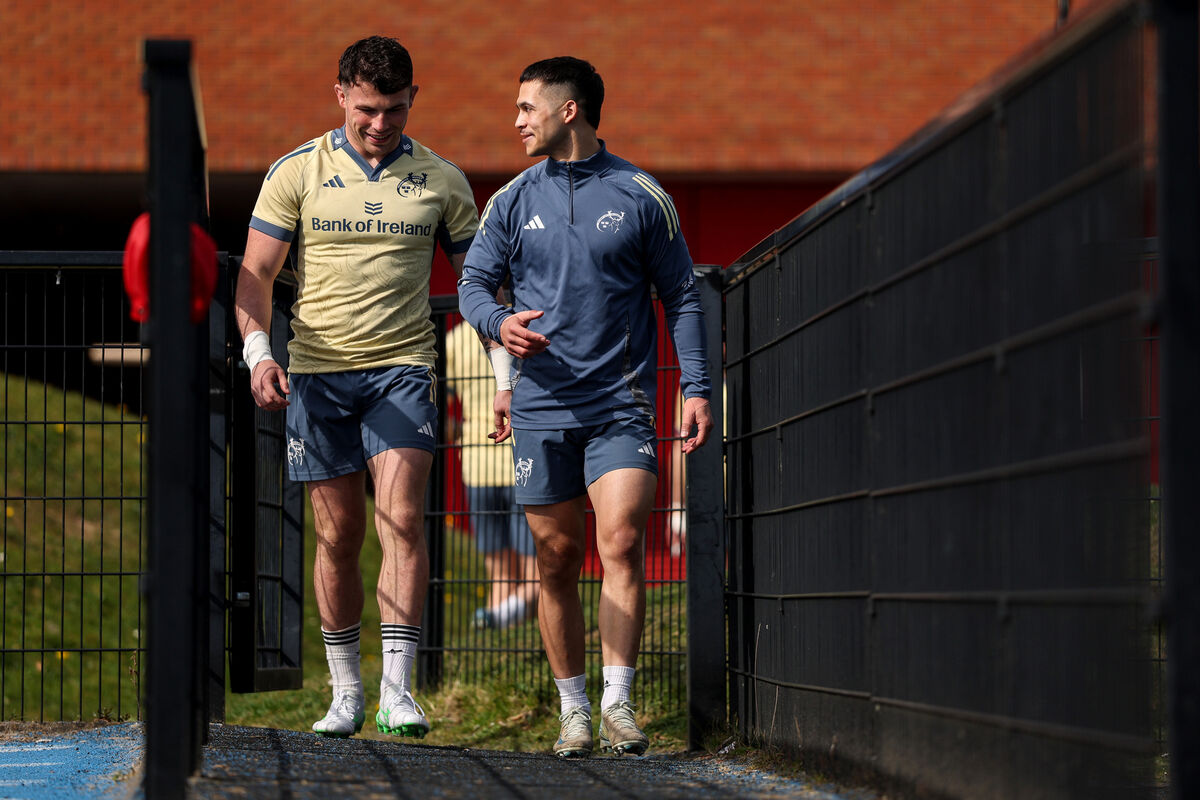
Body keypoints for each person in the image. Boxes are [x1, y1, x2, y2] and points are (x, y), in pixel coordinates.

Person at [457, 56, 713, 758]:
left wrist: (696, 387)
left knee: (621, 540)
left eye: (526, 107)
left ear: (568, 110)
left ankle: (618, 706)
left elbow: (682, 295)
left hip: (620, 404)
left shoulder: (641, 194)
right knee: (557, 557)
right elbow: (473, 285)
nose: (516, 120)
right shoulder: (511, 200)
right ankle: (573, 713)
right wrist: (497, 322)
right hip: (540, 408)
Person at [234, 35, 480, 739]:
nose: (380, 123)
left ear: (413, 99)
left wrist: (504, 373)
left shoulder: (443, 179)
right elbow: (255, 274)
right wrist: (259, 354)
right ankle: (345, 693)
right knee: (336, 534)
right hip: (317, 374)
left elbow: (479, 285)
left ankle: (398, 694)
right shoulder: (296, 171)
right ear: (340, 94)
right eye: (367, 108)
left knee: (401, 520)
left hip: (402, 370)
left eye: (395, 109)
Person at [444, 317, 539, 629]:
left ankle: (494, 627)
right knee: (535, 575)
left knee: (499, 575)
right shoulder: (522, 329)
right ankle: (507, 625)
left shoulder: (455, 340)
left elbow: (440, 412)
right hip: (521, 461)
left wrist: (461, 431)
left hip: (477, 465)